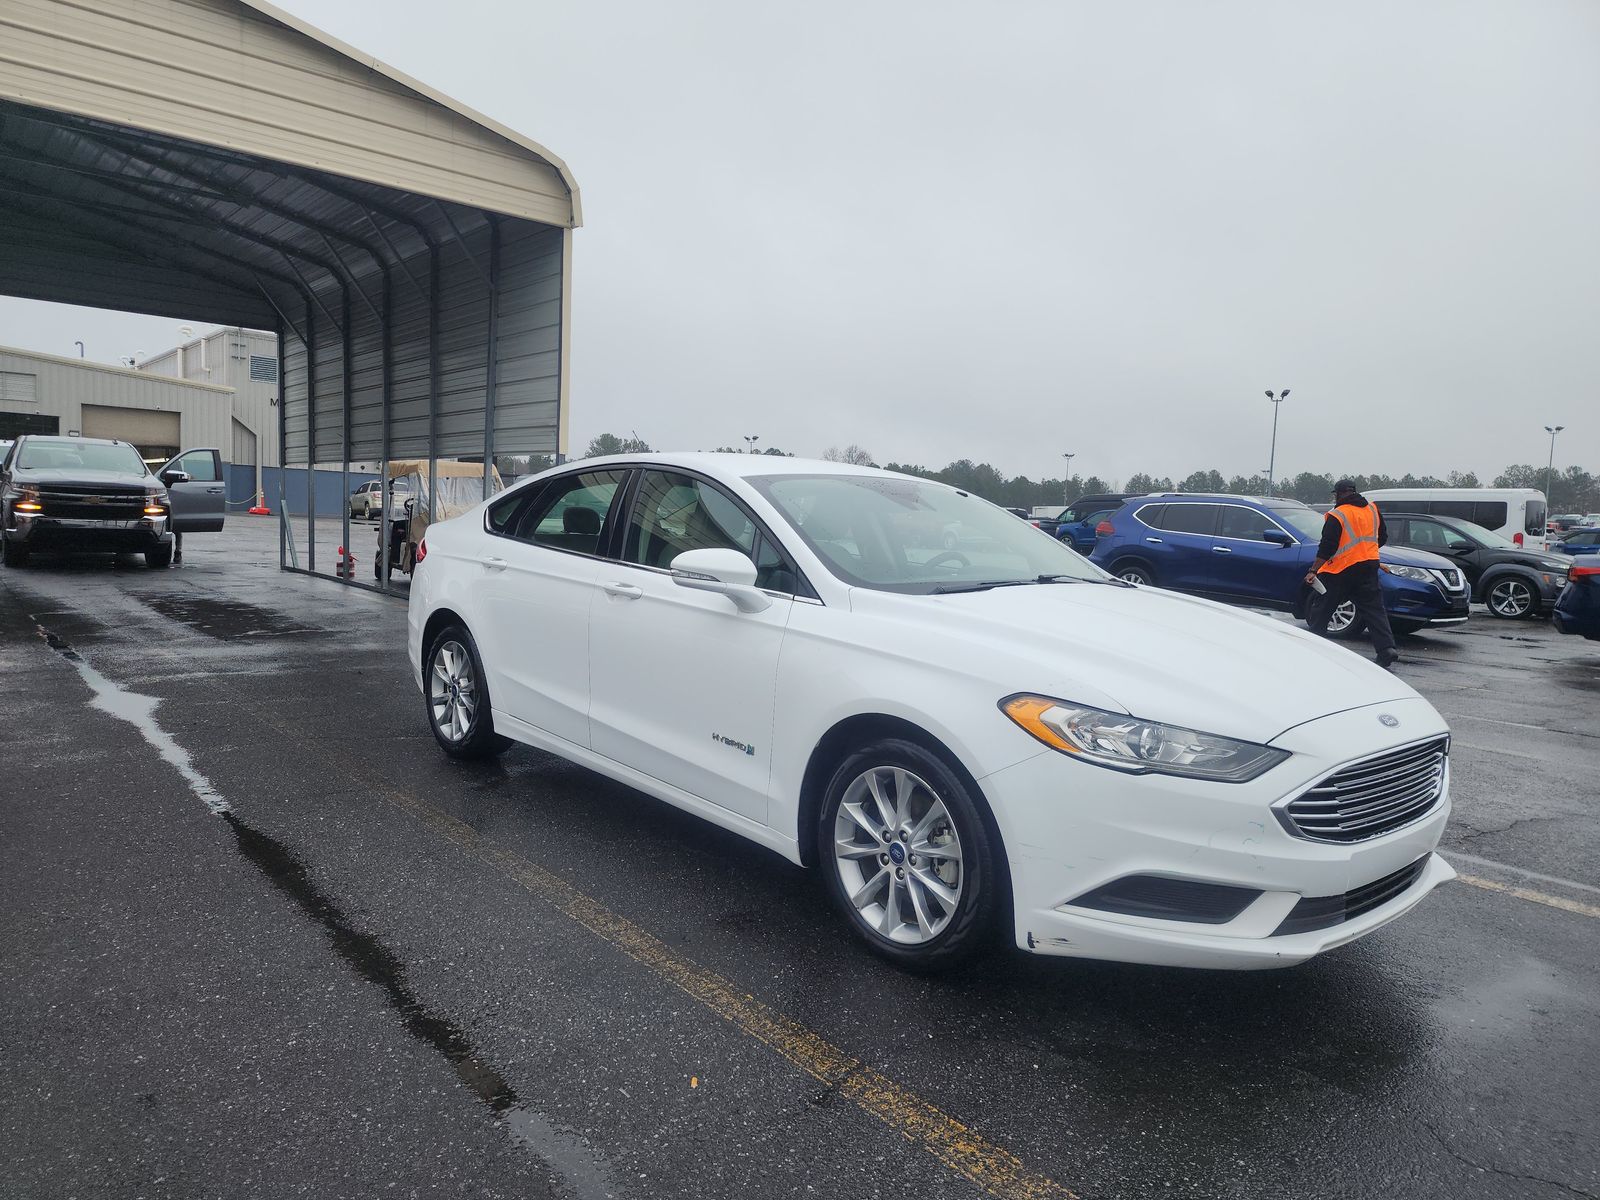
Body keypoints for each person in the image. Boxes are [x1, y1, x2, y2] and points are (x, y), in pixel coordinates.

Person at [1305, 479, 1399, 668]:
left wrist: (1313, 570)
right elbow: (1382, 537)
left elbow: (1327, 546)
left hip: (1340, 570)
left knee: (1322, 609)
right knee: (1374, 610)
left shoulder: (1337, 514)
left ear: (1339, 494)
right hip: (1369, 566)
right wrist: (1365, 552)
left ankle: (1313, 649)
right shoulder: (1372, 509)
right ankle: (1387, 649)